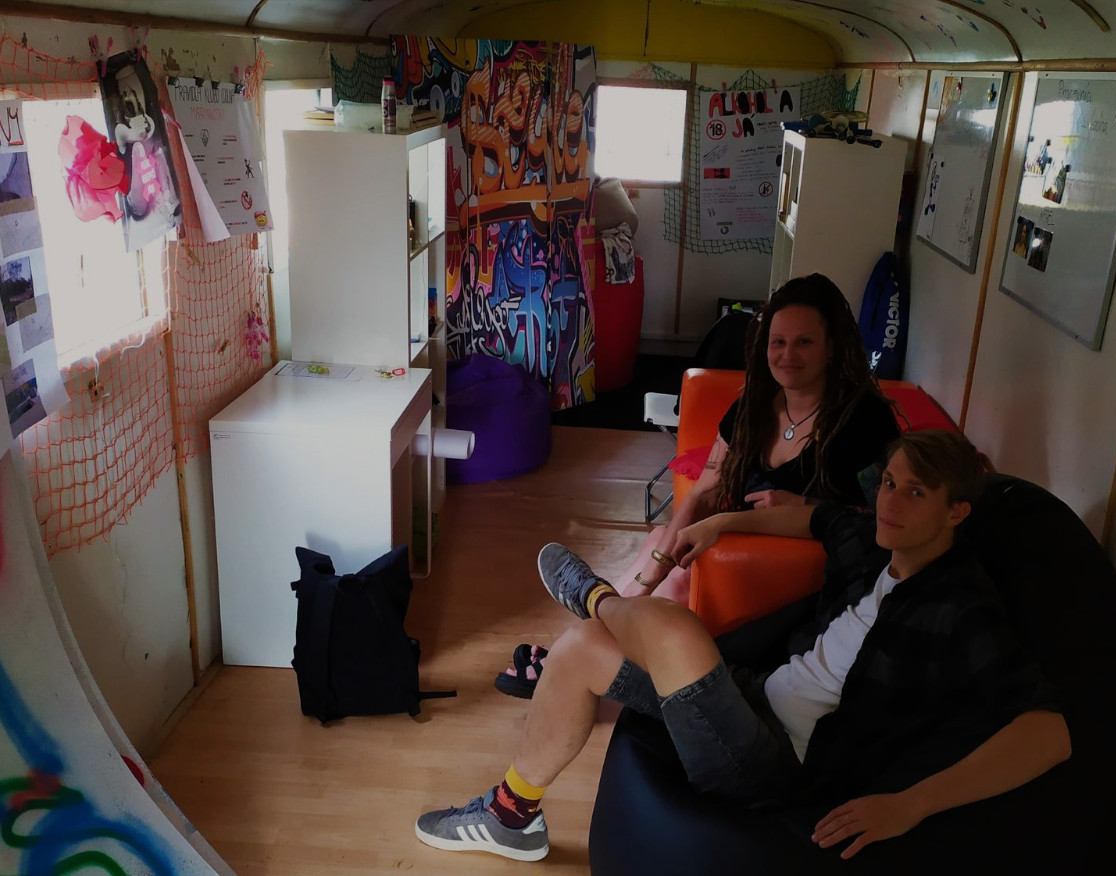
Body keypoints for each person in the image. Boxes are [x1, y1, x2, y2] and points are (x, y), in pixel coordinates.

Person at [416, 430, 1070, 862]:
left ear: (957, 512)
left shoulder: (960, 606)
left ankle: (595, 595)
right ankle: (510, 815)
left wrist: (911, 804)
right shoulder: (875, 543)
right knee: (582, 647)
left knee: (671, 628)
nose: (890, 502)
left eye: (915, 492)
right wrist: (722, 522)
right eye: (890, 483)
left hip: (781, 764)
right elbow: (814, 517)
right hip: (754, 698)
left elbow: (1049, 734)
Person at [497, 273, 901, 697]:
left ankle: (577, 656)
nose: (787, 355)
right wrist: (655, 568)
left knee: (680, 579)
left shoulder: (863, 421)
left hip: (802, 566)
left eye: (804, 342)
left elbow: (884, 519)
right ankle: (585, 644)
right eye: (778, 342)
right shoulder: (754, 405)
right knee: (660, 544)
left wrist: (806, 505)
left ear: (831, 346)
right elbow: (707, 489)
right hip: (737, 544)